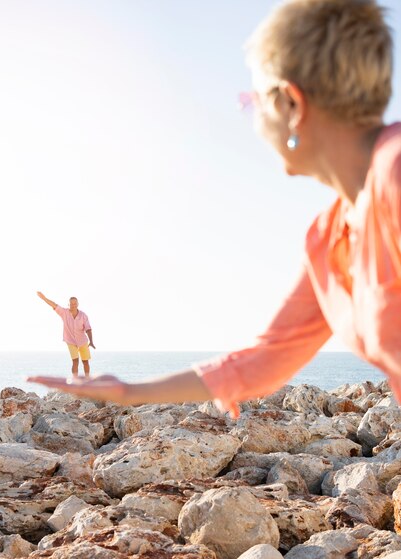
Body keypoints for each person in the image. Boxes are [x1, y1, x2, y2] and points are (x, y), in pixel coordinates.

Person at [29, 0, 401, 417]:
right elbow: (264, 359)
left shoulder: (395, 172)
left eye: (253, 102)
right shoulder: (329, 234)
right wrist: (130, 392)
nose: (253, 118)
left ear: (291, 104)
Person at [36, 292, 95, 377]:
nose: (73, 305)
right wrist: (44, 298)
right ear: (68, 304)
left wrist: (91, 341)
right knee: (75, 361)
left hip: (82, 341)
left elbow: (88, 329)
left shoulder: (83, 315)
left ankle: (87, 381)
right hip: (70, 341)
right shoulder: (64, 312)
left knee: (85, 361)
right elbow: (54, 305)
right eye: (71, 303)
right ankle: (75, 381)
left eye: (75, 303)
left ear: (78, 304)